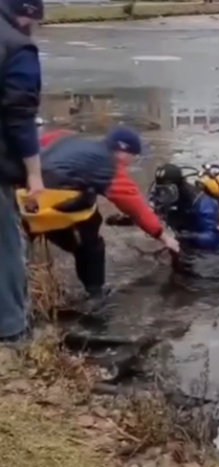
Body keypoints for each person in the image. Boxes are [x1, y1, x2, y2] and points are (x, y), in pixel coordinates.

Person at [39, 127, 180, 311]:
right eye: (134, 156)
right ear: (122, 152)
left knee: (86, 213)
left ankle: (72, 254)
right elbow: (135, 207)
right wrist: (164, 237)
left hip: (26, 196)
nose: (132, 162)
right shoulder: (109, 166)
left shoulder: (68, 138)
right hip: (50, 203)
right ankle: (95, 294)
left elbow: (35, 142)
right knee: (91, 235)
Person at [0, 0, 45, 342]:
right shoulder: (17, 46)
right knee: (6, 249)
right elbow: (20, 114)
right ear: (25, 16)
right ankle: (12, 332)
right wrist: (34, 173)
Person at [147, 163, 219, 251]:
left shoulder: (202, 205)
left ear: (179, 186)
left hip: (200, 244)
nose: (163, 195)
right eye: (160, 190)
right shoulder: (161, 197)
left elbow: (212, 239)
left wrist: (182, 237)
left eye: (167, 191)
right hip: (180, 231)